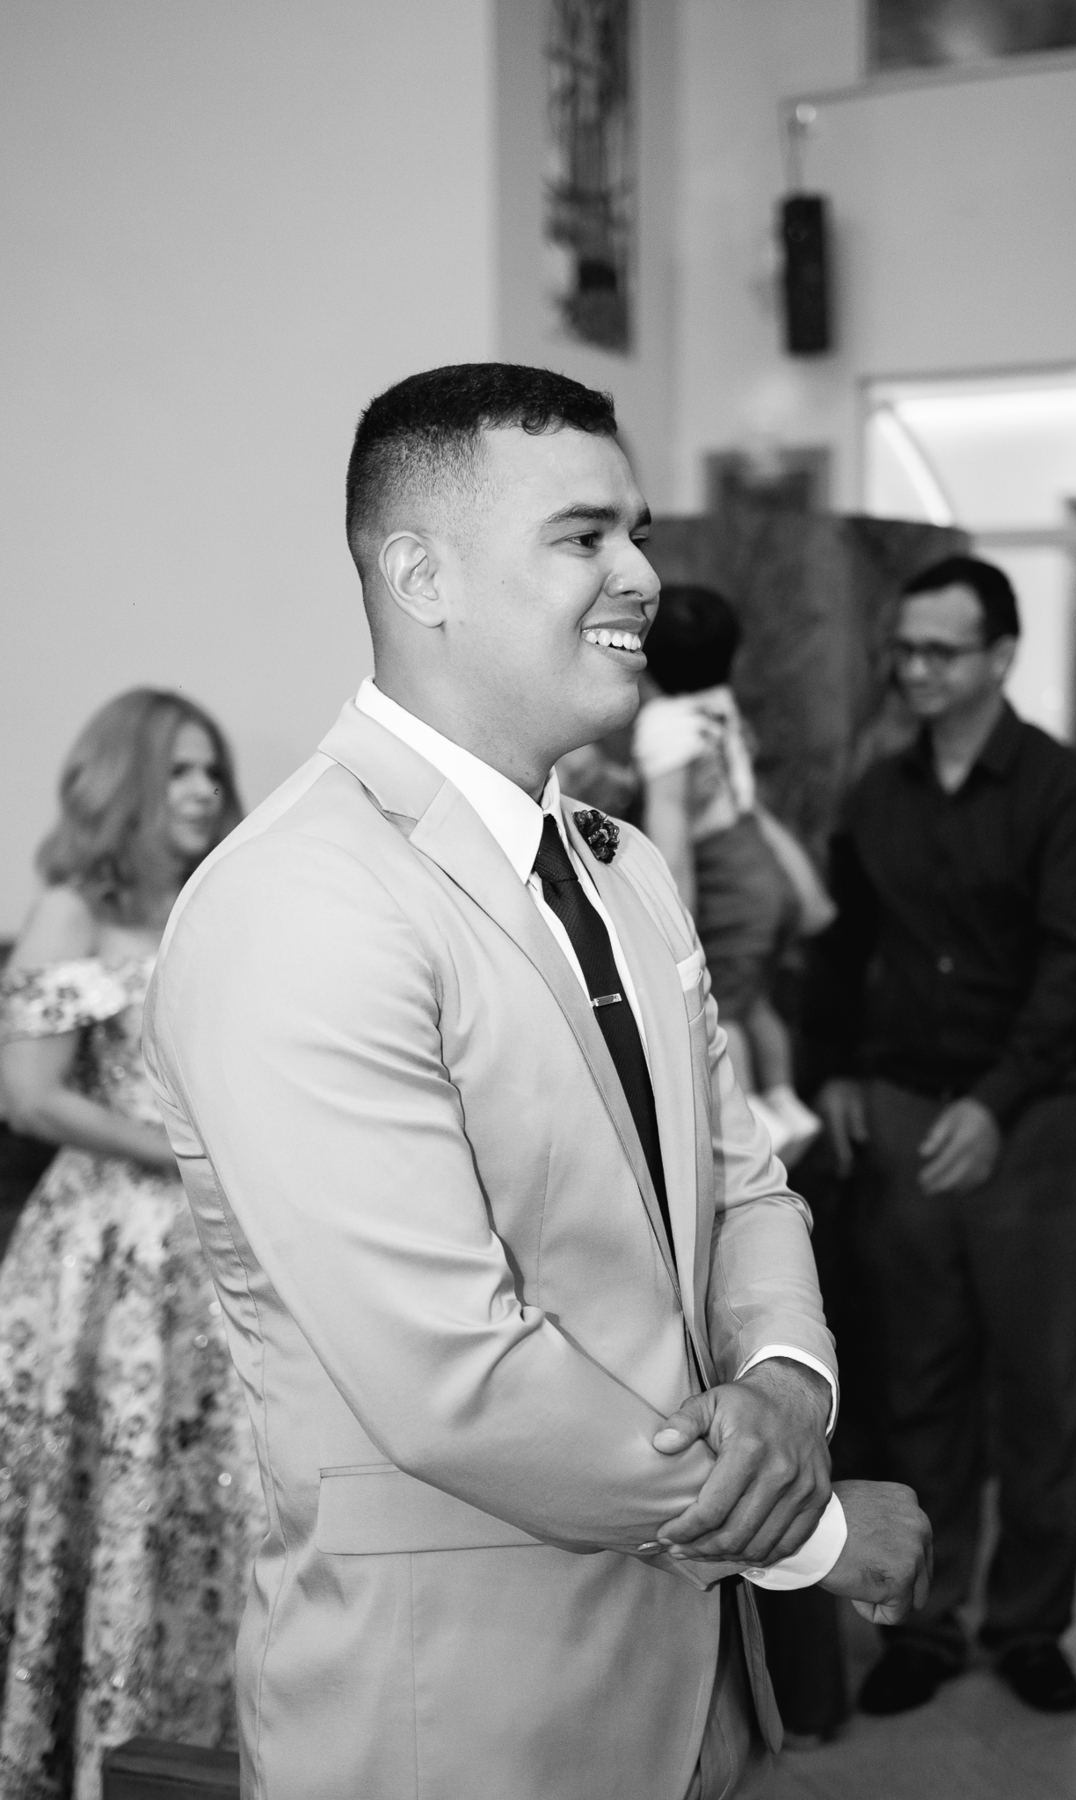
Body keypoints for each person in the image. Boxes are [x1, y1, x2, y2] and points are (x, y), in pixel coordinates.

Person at [143, 362, 931, 1800]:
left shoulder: (622, 869)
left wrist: (782, 1381)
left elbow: (740, 1182)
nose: (642, 575)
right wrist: (804, 1535)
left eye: (637, 532)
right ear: (421, 576)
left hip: (689, 1680)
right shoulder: (299, 902)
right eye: (583, 536)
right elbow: (451, 1378)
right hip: (459, 1705)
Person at [809, 555, 1076, 1718]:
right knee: (922, 1384)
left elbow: (1073, 972)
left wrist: (994, 1104)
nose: (915, 670)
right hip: (906, 1111)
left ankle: (1029, 1625)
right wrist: (834, 1068)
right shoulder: (878, 794)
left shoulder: (1069, 794)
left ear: (1001, 656)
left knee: (1046, 1392)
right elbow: (844, 945)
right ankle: (926, 1625)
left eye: (940, 651)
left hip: (1036, 1122)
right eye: (903, 649)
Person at [0, 690, 265, 1800]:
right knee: (113, 1496)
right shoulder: (74, 911)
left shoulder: (227, 901)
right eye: (180, 770)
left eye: (213, 770)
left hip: (225, 1244)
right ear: (126, 782)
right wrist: (181, 1152)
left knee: (214, 1509)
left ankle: (211, 1754)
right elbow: (28, 1096)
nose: (205, 789)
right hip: (107, 1254)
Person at [635, 585, 831, 1164]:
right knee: (757, 997)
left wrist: (674, 920)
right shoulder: (718, 703)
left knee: (725, 1006)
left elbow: (671, 835)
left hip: (727, 874)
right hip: (762, 864)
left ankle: (755, 1120)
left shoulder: (663, 725)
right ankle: (787, 1101)